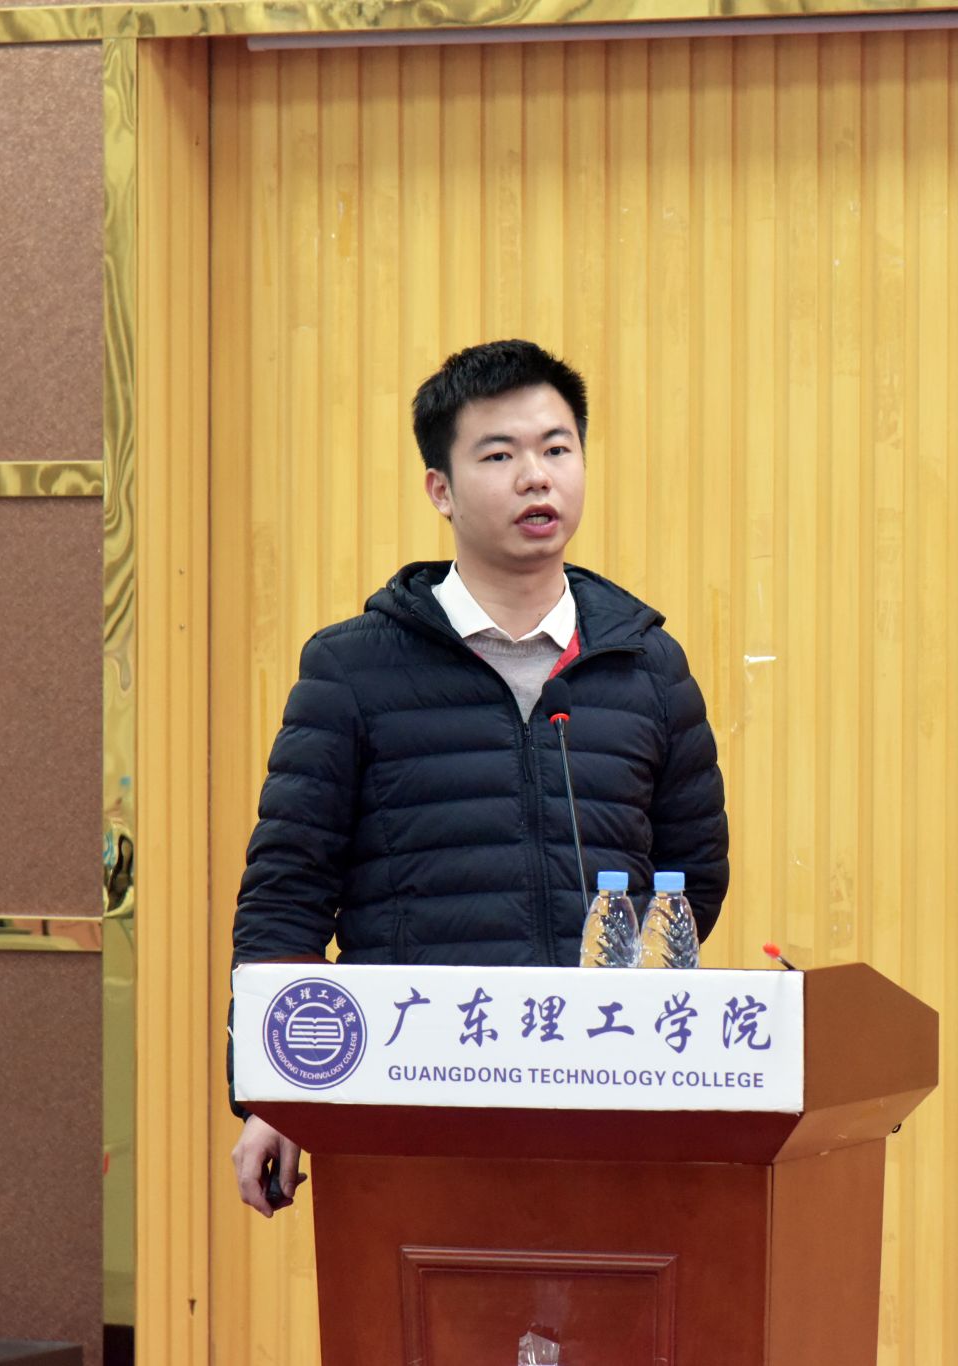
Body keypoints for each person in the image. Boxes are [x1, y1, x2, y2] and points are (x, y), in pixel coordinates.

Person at [227, 339, 730, 1215]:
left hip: (608, 1103)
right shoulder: (354, 670)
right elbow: (287, 895)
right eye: (499, 455)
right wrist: (276, 1091)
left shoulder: (648, 667)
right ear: (441, 489)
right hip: (409, 1098)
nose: (536, 477)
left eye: (557, 448)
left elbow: (693, 881)